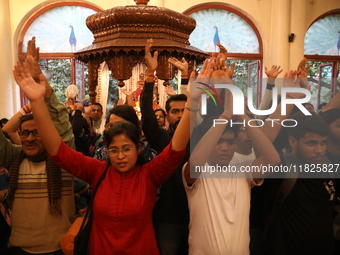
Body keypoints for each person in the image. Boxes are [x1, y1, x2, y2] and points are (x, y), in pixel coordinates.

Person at [13, 39, 194, 255]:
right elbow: (57, 151)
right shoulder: (97, 171)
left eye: (126, 149)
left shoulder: (150, 175)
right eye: (114, 150)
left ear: (138, 149)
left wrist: (192, 103)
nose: (120, 156)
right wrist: (37, 100)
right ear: (106, 151)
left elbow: (176, 150)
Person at [182, 53, 280, 255]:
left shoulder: (244, 171)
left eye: (230, 142)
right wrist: (226, 115)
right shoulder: (197, 172)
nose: (225, 147)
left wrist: (240, 113)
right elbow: (196, 162)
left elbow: (273, 159)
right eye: (219, 142)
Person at [0, 38, 76, 255]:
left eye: (37, 132)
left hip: (58, 248)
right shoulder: (15, 157)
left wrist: (42, 88)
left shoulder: (63, 159)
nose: (30, 138)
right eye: (25, 133)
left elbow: (62, 126)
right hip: (19, 248)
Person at [140, 39, 214, 255]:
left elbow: (213, 113)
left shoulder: (202, 136)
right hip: (168, 219)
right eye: (174, 112)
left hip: (200, 215)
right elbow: (146, 116)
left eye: (184, 110)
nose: (180, 115)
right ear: (167, 115)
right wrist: (150, 75)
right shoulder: (163, 140)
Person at [264, 112, 335, 255]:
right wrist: (288, 99)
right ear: (293, 142)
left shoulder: (327, 164)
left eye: (323, 143)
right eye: (311, 143)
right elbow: (264, 142)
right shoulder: (282, 167)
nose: (319, 150)